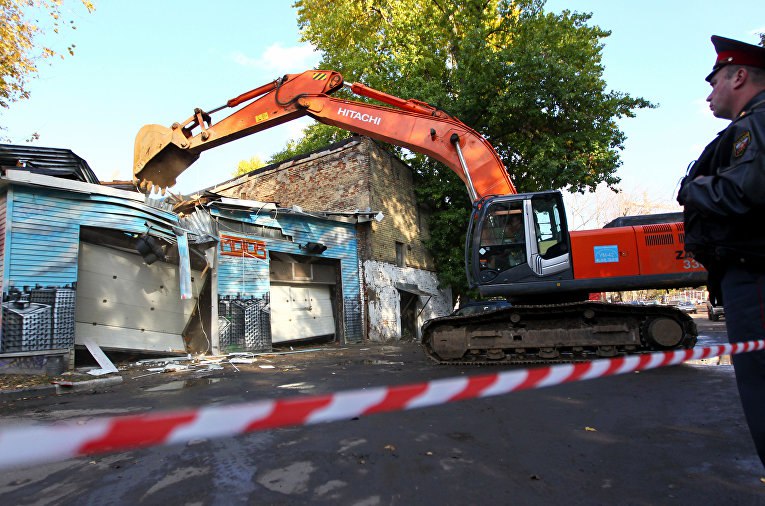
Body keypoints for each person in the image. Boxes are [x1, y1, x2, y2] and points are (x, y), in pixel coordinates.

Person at [677, 35, 765, 469]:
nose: (710, 94)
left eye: (714, 83)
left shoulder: (755, 126)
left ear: (740, 75)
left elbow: (744, 192)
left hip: (754, 275)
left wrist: (692, 187)